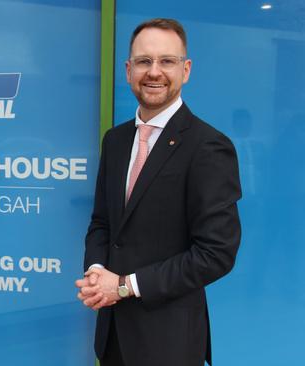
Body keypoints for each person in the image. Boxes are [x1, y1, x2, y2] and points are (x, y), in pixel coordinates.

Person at [75, 19, 241, 366]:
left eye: (166, 61)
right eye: (143, 61)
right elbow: (102, 223)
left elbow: (216, 253)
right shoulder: (116, 140)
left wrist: (122, 285)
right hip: (112, 335)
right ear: (128, 69)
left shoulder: (208, 146)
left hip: (169, 343)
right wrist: (95, 271)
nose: (154, 72)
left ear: (186, 69)